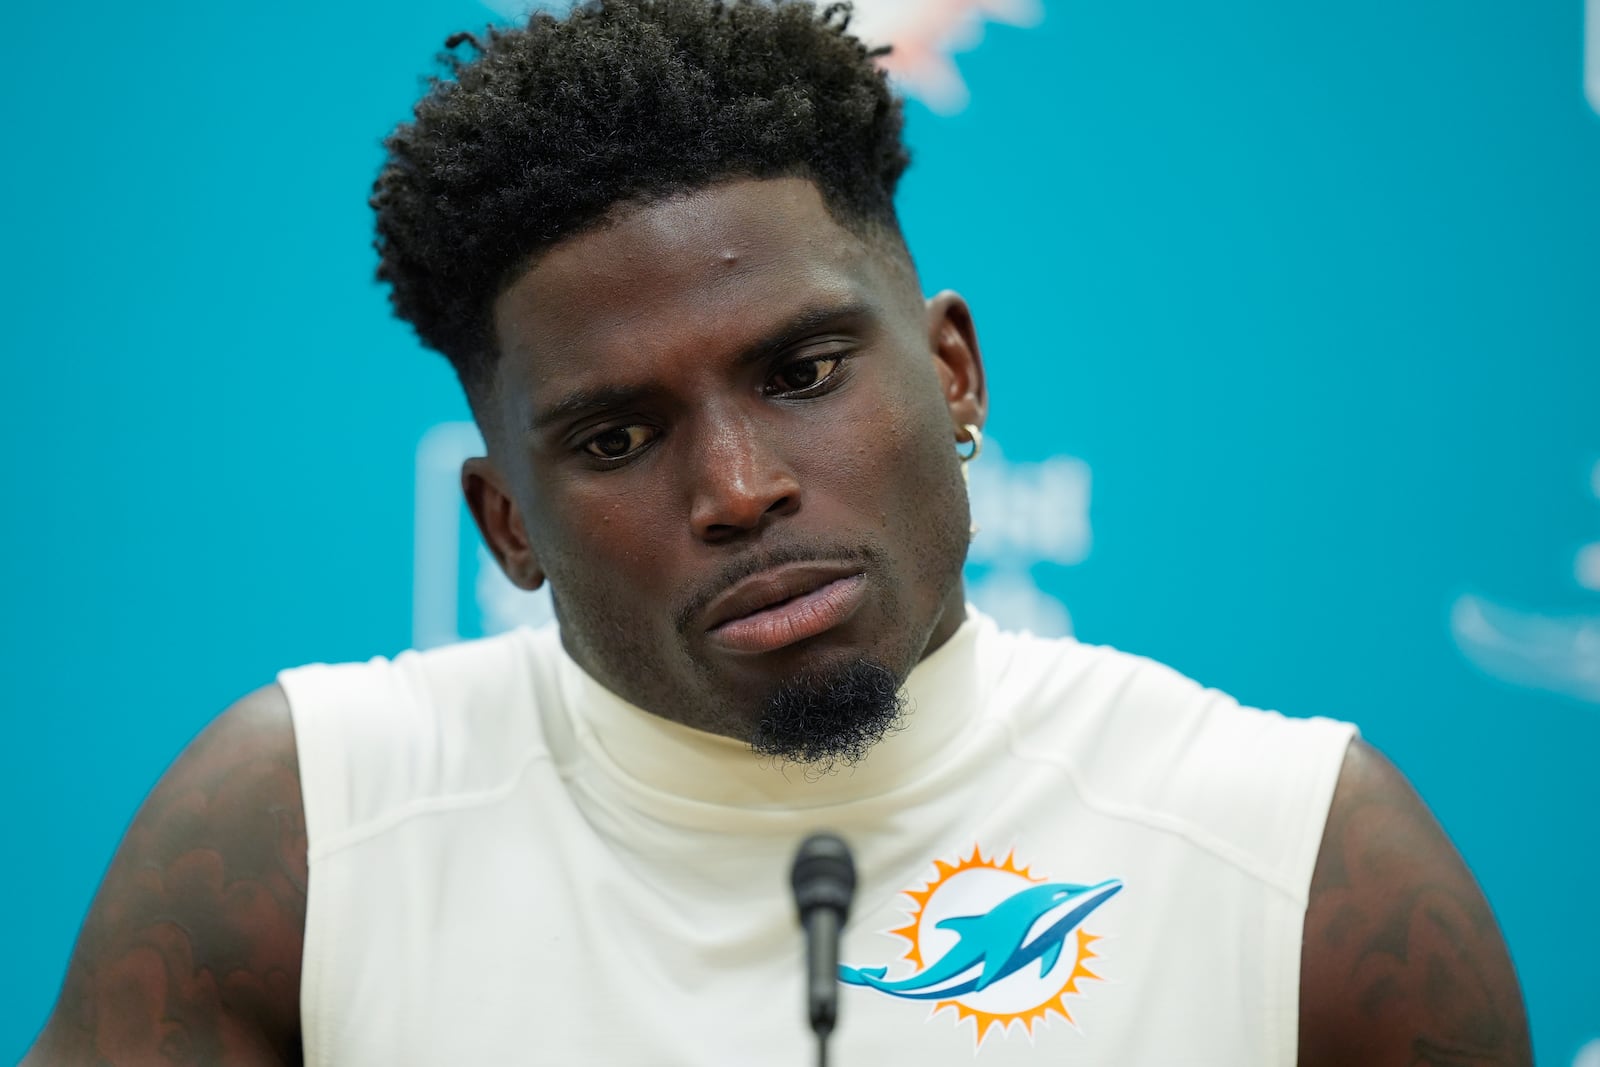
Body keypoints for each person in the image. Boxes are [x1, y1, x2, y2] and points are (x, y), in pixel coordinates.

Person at [24, 1, 1531, 1064]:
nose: (738, 487)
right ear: (505, 525)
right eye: (616, 439)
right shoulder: (296, 837)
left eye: (802, 373)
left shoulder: (1304, 862)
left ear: (953, 373)